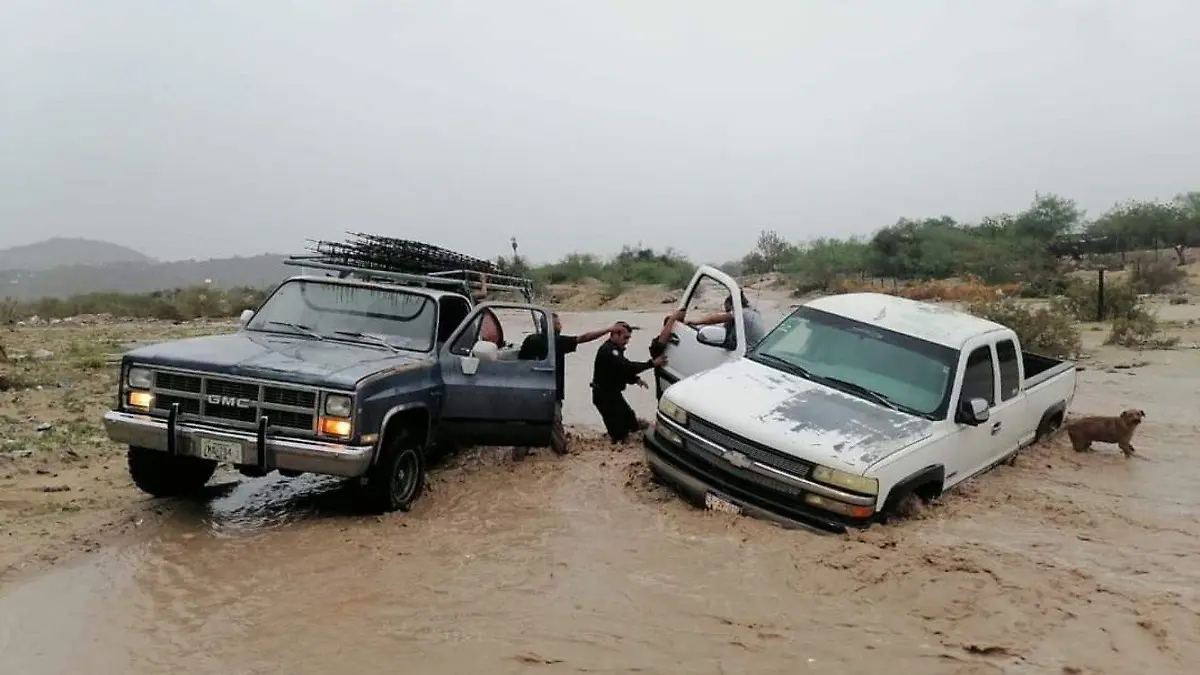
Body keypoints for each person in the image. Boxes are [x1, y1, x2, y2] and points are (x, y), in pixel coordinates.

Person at [516, 312, 620, 457]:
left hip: (528, 390)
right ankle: (562, 454)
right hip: (550, 391)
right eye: (558, 323)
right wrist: (608, 329)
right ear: (552, 327)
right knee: (555, 422)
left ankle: (519, 456)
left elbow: (519, 364)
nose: (561, 326)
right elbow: (583, 338)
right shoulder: (557, 342)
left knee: (527, 422)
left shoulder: (530, 340)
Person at [591, 322, 667, 444]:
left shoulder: (615, 350)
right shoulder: (609, 351)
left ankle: (632, 432)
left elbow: (620, 371)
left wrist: (635, 379)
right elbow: (626, 367)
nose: (627, 341)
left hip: (612, 394)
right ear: (615, 335)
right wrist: (651, 363)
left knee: (630, 418)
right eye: (625, 337)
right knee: (619, 432)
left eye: (628, 338)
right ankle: (618, 440)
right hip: (604, 396)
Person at [687, 290, 768, 351]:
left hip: (747, 353)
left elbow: (715, 319)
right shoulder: (753, 311)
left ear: (732, 305)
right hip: (756, 349)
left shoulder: (741, 313)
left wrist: (696, 322)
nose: (728, 312)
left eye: (728, 310)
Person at [648, 307, 686, 399]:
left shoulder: (684, 342)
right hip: (665, 393)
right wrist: (673, 319)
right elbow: (659, 345)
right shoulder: (657, 344)